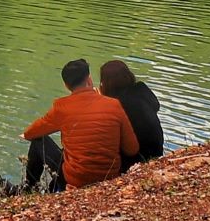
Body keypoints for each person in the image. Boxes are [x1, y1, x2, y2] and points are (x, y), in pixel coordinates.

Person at [20, 58, 139, 192]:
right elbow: (132, 149)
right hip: (110, 178)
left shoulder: (61, 107)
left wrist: (25, 134)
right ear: (89, 79)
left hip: (75, 180)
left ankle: (28, 189)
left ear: (66, 85)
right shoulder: (114, 104)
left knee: (38, 141)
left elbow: (31, 133)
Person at [99, 60, 164, 170]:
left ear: (106, 82)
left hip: (135, 159)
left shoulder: (115, 104)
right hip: (157, 149)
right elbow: (156, 106)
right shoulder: (141, 88)